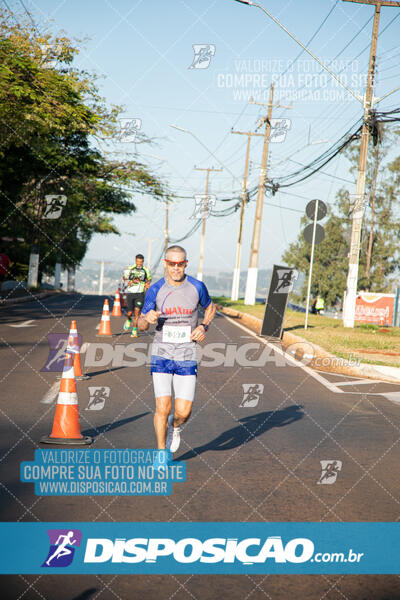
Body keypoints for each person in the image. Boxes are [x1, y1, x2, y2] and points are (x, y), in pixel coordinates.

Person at [138, 245, 216, 468]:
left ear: (186, 264)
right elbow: (141, 324)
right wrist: (147, 319)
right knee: (162, 406)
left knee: (183, 411)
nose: (175, 268)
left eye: (180, 264)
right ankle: (161, 452)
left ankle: (175, 426)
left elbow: (211, 308)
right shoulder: (155, 290)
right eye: (171, 263)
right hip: (161, 353)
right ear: (165, 263)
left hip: (187, 353)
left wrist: (204, 326)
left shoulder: (197, 287)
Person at [122, 254, 151, 338]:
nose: (139, 264)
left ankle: (134, 331)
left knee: (137, 313)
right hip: (130, 293)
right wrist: (127, 280)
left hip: (140, 294)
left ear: (143, 262)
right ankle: (128, 319)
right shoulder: (130, 268)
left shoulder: (146, 270)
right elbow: (124, 277)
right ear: (135, 261)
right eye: (138, 262)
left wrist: (147, 283)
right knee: (130, 313)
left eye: (141, 262)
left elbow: (149, 278)